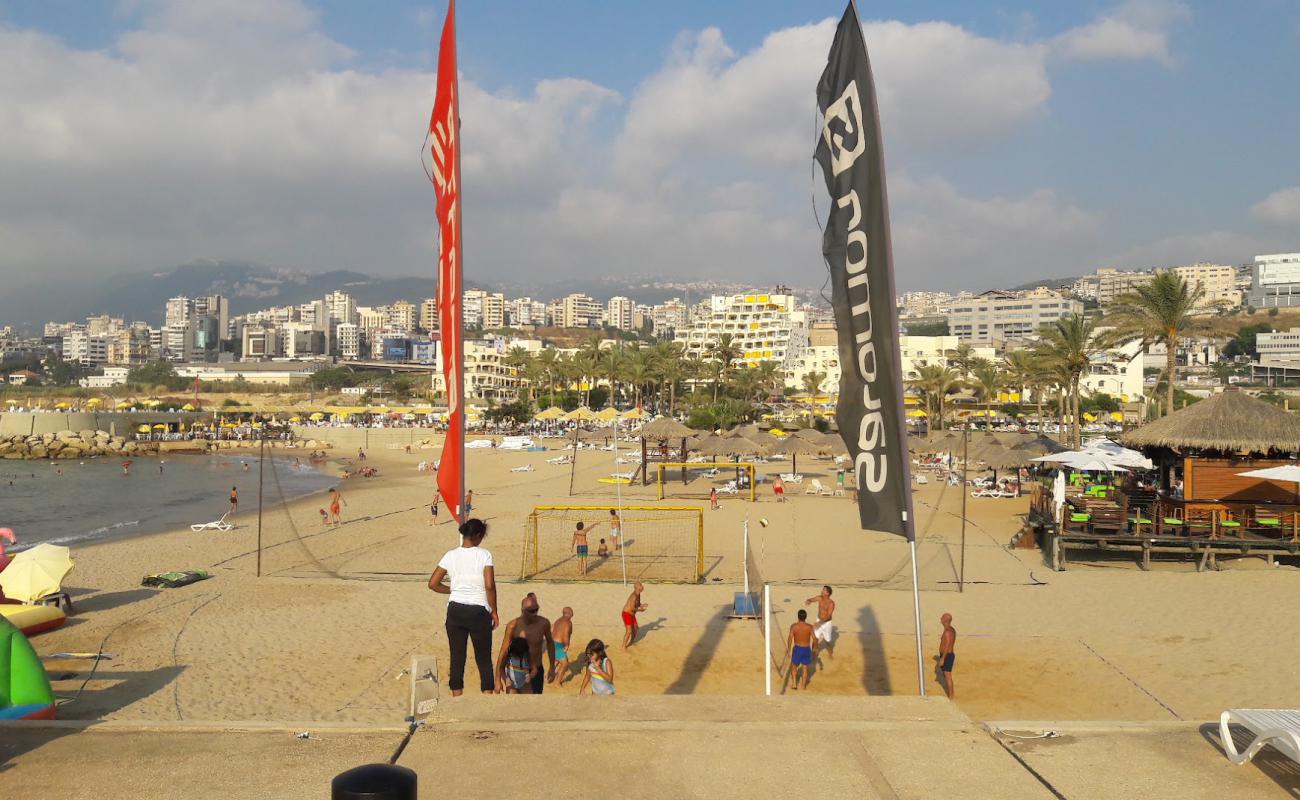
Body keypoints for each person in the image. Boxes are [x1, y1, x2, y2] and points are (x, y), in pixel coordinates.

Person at [427, 518, 499, 696]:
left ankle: (456, 698)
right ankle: (487, 698)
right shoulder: (484, 554)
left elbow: (433, 583)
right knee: (483, 658)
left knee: (457, 657)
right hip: (478, 609)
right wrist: (495, 610)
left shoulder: (450, 555)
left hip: (455, 609)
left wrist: (453, 590)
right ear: (477, 536)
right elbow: (489, 585)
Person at [494, 592, 554, 695]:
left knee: (533, 705)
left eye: (537, 610)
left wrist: (552, 667)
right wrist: (497, 678)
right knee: (512, 704)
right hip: (515, 669)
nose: (535, 613)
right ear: (523, 611)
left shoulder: (544, 623)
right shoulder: (513, 625)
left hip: (535, 670)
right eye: (531, 611)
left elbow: (550, 643)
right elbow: (503, 651)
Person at [787, 609, 816, 690]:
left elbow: (790, 638)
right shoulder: (809, 627)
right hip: (806, 649)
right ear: (805, 617)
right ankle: (803, 686)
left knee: (793, 666)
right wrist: (815, 648)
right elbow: (815, 639)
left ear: (798, 617)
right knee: (805, 668)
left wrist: (789, 649)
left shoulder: (794, 626)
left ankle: (794, 684)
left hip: (797, 649)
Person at [804, 585, 836, 658]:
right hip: (819, 621)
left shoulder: (831, 603)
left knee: (827, 641)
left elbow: (828, 616)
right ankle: (813, 656)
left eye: (824, 590)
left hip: (826, 624)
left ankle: (830, 654)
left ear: (827, 593)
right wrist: (808, 601)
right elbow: (812, 599)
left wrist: (819, 622)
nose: (822, 591)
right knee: (815, 639)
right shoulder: (819, 598)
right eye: (822, 589)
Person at [549, 606, 574, 685]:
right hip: (558, 644)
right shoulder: (568, 622)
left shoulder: (558, 620)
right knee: (564, 663)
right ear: (569, 613)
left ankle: (548, 677)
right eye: (572, 612)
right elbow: (566, 634)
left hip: (551, 642)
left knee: (556, 660)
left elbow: (551, 629)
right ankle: (557, 682)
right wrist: (567, 645)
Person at [937, 613, 957, 699]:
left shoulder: (948, 632)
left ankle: (951, 696)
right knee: (946, 675)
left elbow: (948, 645)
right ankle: (951, 694)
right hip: (947, 655)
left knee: (948, 676)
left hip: (947, 655)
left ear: (945, 620)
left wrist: (942, 659)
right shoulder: (950, 629)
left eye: (942, 617)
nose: (940, 618)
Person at [622, 582, 647, 649]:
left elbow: (638, 604)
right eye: (640, 585)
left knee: (636, 628)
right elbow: (632, 607)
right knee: (629, 631)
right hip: (626, 614)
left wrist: (642, 605)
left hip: (631, 614)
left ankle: (631, 642)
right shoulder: (634, 596)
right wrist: (640, 610)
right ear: (637, 588)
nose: (642, 586)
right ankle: (623, 646)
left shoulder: (638, 594)